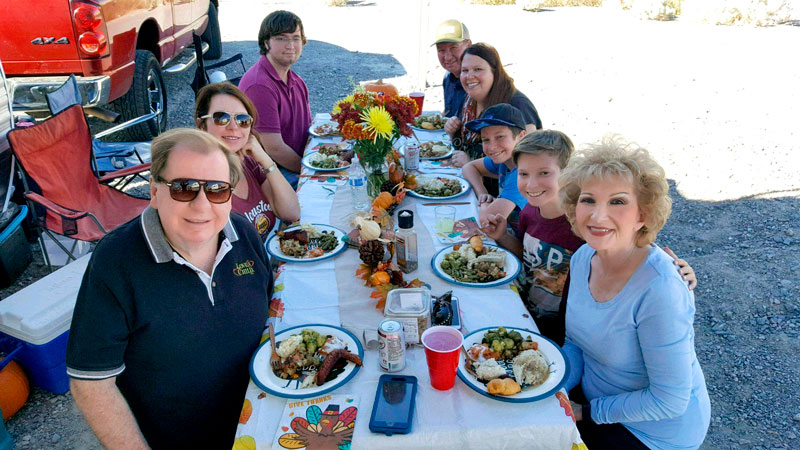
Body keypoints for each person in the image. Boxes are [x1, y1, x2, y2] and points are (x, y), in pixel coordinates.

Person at [66, 129, 272, 449]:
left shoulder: (243, 234)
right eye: (184, 188)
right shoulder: (115, 262)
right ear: (154, 191)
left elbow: (272, 313)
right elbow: (91, 382)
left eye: (217, 189)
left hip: (264, 421)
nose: (202, 205)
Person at [559, 137, 710, 449]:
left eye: (617, 201)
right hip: (595, 399)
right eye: (588, 200)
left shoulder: (660, 289)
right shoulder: (582, 258)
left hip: (653, 431)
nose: (598, 217)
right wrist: (551, 383)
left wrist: (585, 412)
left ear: (643, 214)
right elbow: (575, 343)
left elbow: (669, 400)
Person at [484, 131, 697, 345]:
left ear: (568, 174)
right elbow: (529, 256)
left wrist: (674, 271)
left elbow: (627, 244)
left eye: (544, 173)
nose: (531, 184)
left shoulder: (585, 227)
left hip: (566, 333)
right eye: (523, 174)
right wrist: (502, 236)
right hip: (530, 314)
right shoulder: (530, 213)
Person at [195, 82, 300, 241]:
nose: (233, 127)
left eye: (242, 119)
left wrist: (265, 159)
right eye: (221, 118)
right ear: (201, 125)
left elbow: (291, 212)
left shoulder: (247, 163)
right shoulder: (200, 183)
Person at [239, 10, 311, 189]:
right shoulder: (260, 86)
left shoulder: (296, 80)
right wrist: (311, 171)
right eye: (281, 38)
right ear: (266, 42)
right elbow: (274, 149)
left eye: (296, 38)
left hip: (293, 164)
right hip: (271, 173)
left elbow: (308, 130)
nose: (290, 45)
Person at [444, 43, 543, 166]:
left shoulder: (518, 104)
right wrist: (453, 131)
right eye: (465, 70)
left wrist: (471, 164)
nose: (469, 76)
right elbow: (465, 144)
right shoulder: (469, 100)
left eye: (478, 69)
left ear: (494, 72)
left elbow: (529, 162)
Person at [461, 103, 528, 227]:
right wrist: (482, 193)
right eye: (486, 140)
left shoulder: (523, 173)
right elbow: (469, 167)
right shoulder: (505, 160)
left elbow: (486, 221)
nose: (492, 147)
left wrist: (485, 205)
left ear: (521, 137)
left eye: (500, 137)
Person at [432, 19, 472, 120]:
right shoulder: (448, 77)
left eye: (454, 48)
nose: (447, 57)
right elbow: (448, 113)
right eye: (441, 50)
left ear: (468, 45)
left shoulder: (477, 80)